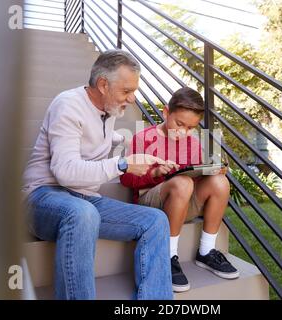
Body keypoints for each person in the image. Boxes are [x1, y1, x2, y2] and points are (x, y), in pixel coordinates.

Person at [22, 50, 173, 300]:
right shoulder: (68, 104)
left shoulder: (108, 108)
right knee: (82, 213)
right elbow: (65, 172)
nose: (133, 98)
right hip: (43, 196)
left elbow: (94, 135)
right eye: (126, 91)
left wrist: (130, 145)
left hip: (84, 198)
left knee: (156, 220)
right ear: (103, 84)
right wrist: (122, 164)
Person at [120, 87, 239, 293]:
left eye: (191, 127)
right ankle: (168, 256)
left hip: (183, 201)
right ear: (166, 113)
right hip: (151, 203)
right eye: (179, 124)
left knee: (219, 182)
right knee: (181, 182)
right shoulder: (143, 138)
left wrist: (211, 171)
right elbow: (126, 179)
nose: (183, 132)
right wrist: (155, 174)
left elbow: (194, 173)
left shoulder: (192, 143)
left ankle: (207, 251)